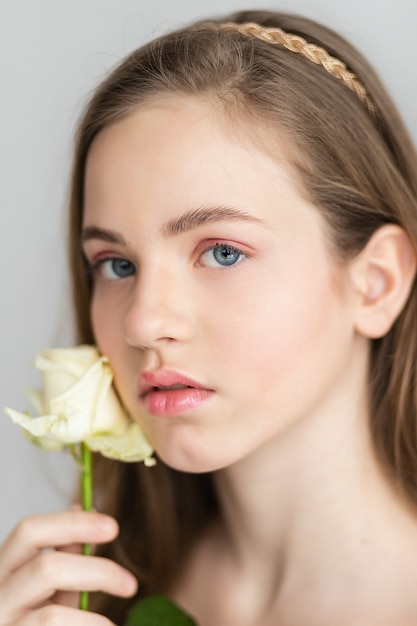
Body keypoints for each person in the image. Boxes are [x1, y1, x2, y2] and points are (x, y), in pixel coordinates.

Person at [1, 8, 417, 625]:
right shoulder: (82, 596)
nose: (143, 324)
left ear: (375, 284)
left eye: (222, 252)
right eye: (115, 264)